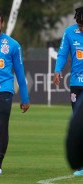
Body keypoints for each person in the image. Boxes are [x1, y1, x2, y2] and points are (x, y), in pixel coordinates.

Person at [0, 9, 30, 176]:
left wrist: (25, 98)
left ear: (2, 24)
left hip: (4, 90)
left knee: (1, 125)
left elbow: (20, 73)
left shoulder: (12, 45)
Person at [52, 6, 83, 176]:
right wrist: (58, 70)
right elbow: (63, 53)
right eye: (79, 25)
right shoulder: (70, 33)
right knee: (79, 124)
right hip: (77, 84)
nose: (81, 28)